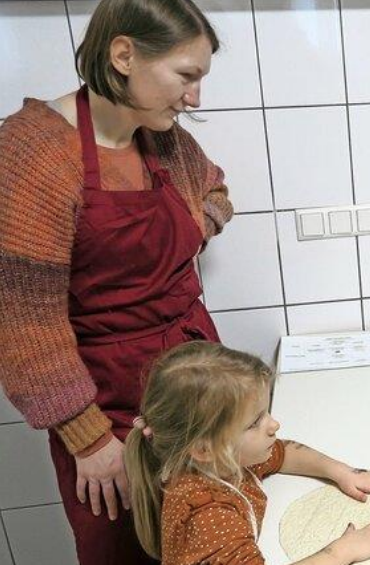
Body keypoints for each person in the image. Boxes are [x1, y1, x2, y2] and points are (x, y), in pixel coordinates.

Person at [0, 1, 233, 562]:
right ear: (124, 55)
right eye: (186, 76)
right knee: (126, 548)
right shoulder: (33, 153)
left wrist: (197, 225)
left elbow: (217, 193)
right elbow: (22, 325)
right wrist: (89, 440)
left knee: (216, 532)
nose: (194, 98)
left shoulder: (165, 139)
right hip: (106, 406)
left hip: (196, 378)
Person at [124, 342, 370, 565]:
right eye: (254, 422)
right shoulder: (210, 516)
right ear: (203, 449)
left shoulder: (224, 462)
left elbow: (283, 454)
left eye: (266, 412)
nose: (274, 425)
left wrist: (343, 472)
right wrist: (342, 552)